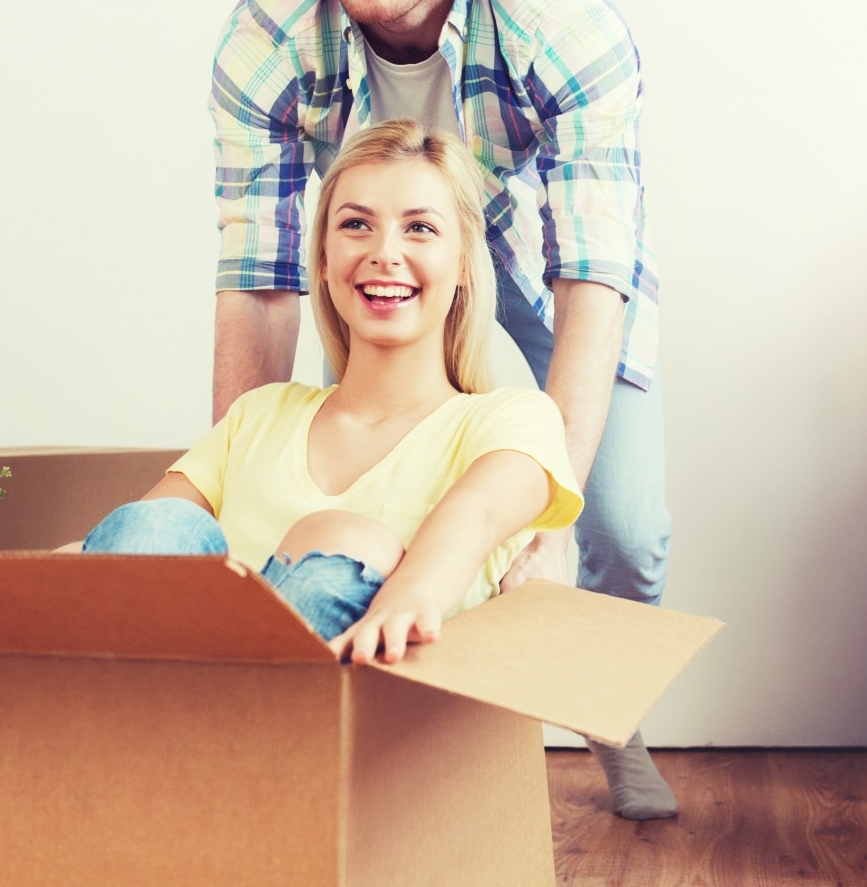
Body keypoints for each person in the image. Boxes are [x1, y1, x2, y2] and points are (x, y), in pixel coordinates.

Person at [206, 0, 677, 818]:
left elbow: (589, 274)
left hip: (541, 252)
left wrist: (546, 525)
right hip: (386, 263)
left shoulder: (565, 22)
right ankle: (400, 748)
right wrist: (242, 496)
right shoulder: (264, 39)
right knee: (374, 502)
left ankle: (609, 713)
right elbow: (260, 278)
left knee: (623, 523)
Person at [84, 121, 582, 666]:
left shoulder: (511, 420)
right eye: (356, 225)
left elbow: (479, 513)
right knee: (156, 525)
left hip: (356, 721)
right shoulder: (259, 415)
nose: (385, 253)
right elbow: (130, 546)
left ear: (462, 262)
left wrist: (410, 593)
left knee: (344, 541)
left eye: (419, 228)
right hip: (173, 681)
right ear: (323, 261)